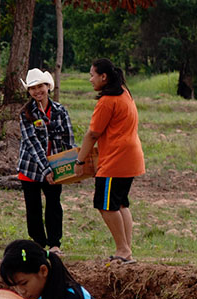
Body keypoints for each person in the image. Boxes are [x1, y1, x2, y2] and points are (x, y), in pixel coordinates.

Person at [74, 58, 145, 264]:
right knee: (120, 203)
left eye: (92, 75)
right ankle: (125, 250)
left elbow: (93, 134)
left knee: (105, 205)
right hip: (131, 158)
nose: (90, 79)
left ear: (103, 77)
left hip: (115, 160)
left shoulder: (107, 101)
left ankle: (123, 249)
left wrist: (80, 162)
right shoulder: (125, 93)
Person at [17, 68, 75, 256]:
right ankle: (39, 245)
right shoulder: (26, 113)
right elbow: (31, 143)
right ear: (29, 91)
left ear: (47, 87)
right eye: (32, 88)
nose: (37, 91)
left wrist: (71, 166)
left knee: (53, 205)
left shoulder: (60, 111)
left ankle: (55, 244)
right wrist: (46, 169)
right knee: (33, 208)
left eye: (40, 86)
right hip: (31, 167)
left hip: (56, 168)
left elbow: (68, 140)